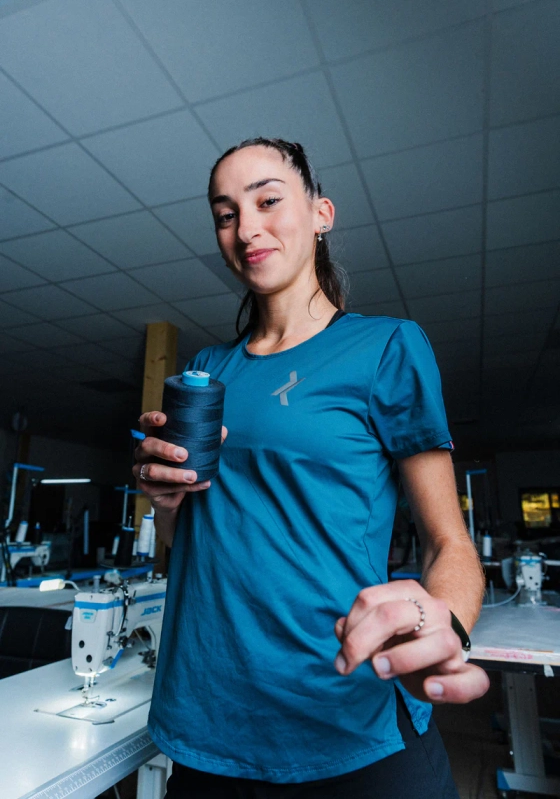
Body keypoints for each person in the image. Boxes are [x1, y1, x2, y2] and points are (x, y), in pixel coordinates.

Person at [133, 138, 489, 798]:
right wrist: (163, 503)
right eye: (225, 213)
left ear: (321, 213)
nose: (247, 228)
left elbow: (450, 544)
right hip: (210, 717)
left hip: (347, 714)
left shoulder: (385, 346)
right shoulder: (207, 373)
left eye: (269, 200)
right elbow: (187, 552)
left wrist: (446, 628)